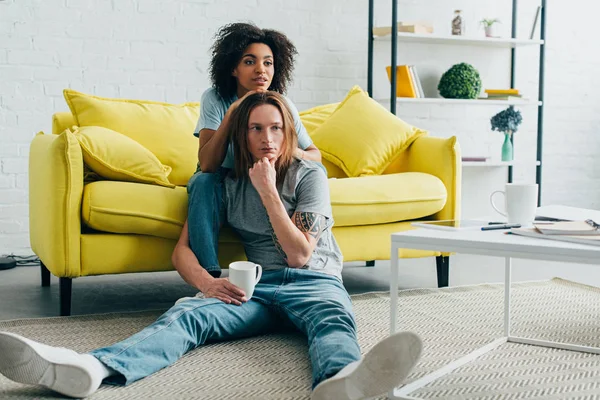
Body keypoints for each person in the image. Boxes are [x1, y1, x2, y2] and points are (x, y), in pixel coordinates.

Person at [0, 92, 422, 399]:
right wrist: (206, 283)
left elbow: (300, 254)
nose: (268, 138)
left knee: (332, 320)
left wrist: (269, 190)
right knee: (187, 316)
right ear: (241, 136)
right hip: (258, 287)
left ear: (288, 132)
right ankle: (94, 367)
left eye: (276, 128)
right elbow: (181, 250)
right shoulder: (225, 183)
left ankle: (341, 382)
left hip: (313, 281)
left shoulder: (307, 177)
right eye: (256, 129)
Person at [185, 22, 321, 279]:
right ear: (233, 68)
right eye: (250, 62)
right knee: (202, 182)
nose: (261, 70)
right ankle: (211, 276)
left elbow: (315, 156)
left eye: (268, 63)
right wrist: (234, 111)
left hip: (263, 177)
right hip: (225, 179)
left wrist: (286, 152)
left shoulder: (281, 104)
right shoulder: (215, 98)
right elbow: (208, 165)